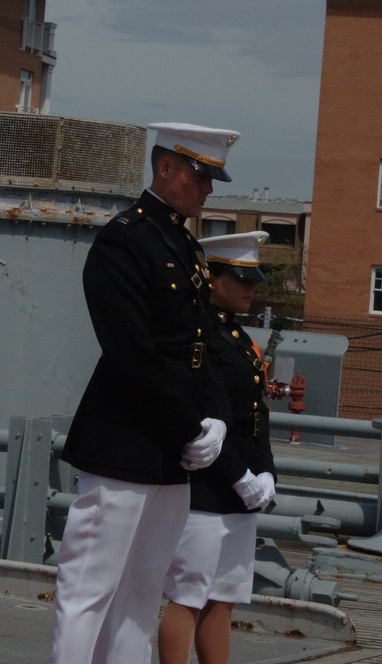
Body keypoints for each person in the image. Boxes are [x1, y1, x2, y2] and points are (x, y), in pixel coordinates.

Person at [49, 123, 240, 664]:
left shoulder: (184, 245)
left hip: (171, 454)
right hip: (125, 443)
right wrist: (190, 427)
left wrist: (218, 419)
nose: (208, 189)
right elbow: (133, 353)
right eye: (201, 175)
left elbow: (203, 344)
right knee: (88, 590)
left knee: (141, 591)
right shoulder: (124, 240)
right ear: (166, 169)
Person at [158, 230, 278, 664]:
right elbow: (210, 414)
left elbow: (255, 414)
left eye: (253, 280)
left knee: (223, 595)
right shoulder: (201, 335)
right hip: (207, 483)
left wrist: (266, 473)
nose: (250, 288)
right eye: (240, 278)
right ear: (211, 277)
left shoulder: (241, 340)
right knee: (189, 593)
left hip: (240, 486)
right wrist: (238, 475)